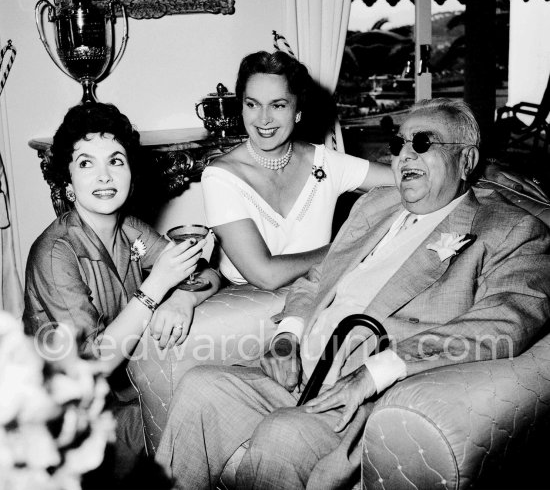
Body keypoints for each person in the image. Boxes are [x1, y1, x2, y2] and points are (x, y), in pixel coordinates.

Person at [156, 98, 550, 489]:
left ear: (466, 160)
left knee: (283, 435)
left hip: (361, 400)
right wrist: (287, 335)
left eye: (424, 144)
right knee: (198, 387)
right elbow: (318, 277)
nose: (405, 157)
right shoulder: (376, 204)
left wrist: (376, 373)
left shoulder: (510, 230)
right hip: (297, 375)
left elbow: (503, 325)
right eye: (399, 146)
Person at [203, 51, 549, 290]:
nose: (262, 119)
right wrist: (355, 248)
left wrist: (488, 174)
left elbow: (411, 179)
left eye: (277, 105)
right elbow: (264, 275)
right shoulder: (222, 177)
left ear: (297, 111)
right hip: (246, 302)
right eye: (252, 104)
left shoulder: (324, 162)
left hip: (320, 291)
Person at [23, 102, 220, 482]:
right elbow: (92, 364)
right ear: (67, 181)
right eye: (85, 164)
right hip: (70, 425)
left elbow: (208, 273)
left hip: (129, 395)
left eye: (115, 161)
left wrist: (183, 297)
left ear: (130, 171)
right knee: (197, 416)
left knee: (211, 400)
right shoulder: (53, 252)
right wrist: (157, 287)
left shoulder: (131, 230)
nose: (104, 176)